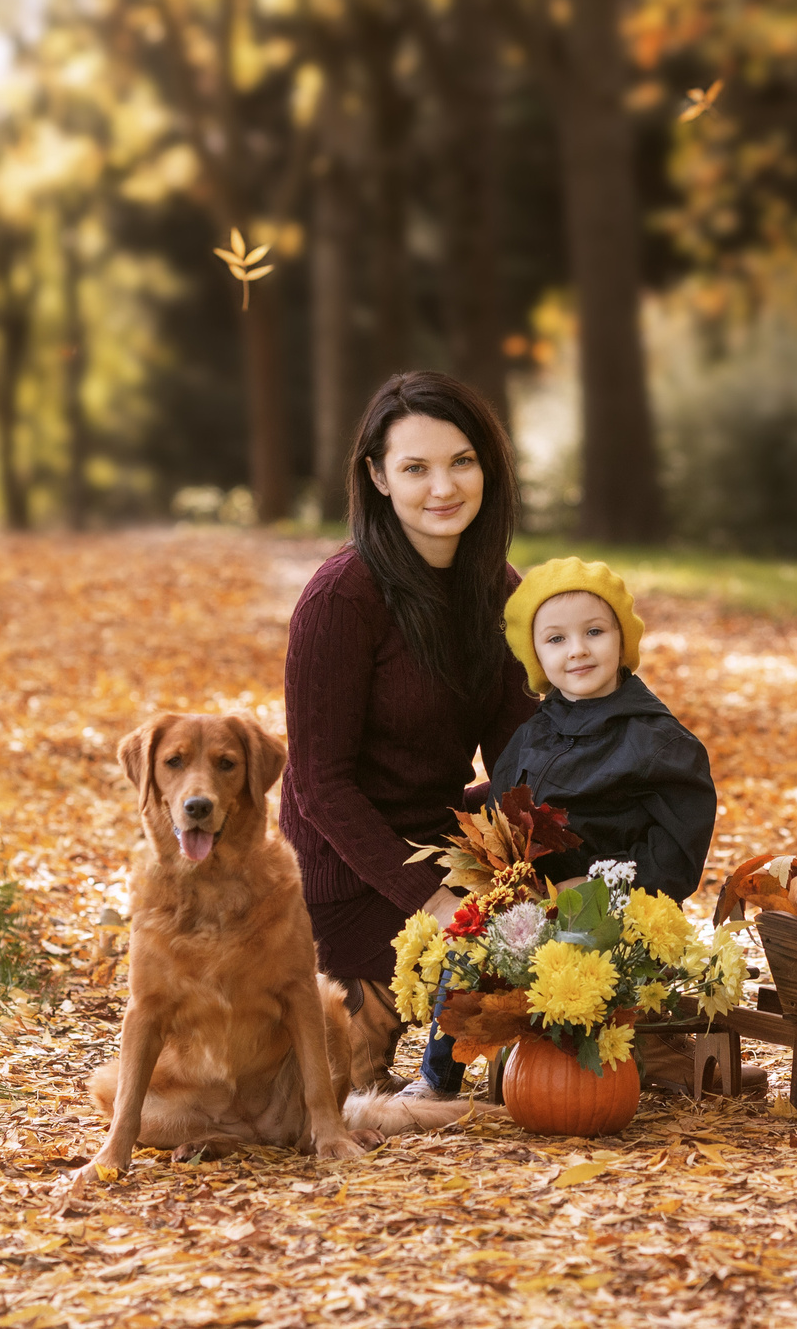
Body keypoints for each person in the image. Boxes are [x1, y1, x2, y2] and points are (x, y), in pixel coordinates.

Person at [279, 372, 538, 1099]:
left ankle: (602, 1035)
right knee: (346, 1078)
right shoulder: (341, 598)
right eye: (415, 467)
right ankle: (389, 1030)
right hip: (346, 872)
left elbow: (520, 758)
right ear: (377, 476)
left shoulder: (499, 591)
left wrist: (547, 865)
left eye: (461, 460)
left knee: (573, 858)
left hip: (441, 839)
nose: (442, 486)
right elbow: (319, 785)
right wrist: (432, 902)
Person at [486, 558, 716, 904]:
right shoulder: (532, 734)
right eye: (556, 639)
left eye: (594, 632)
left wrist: (596, 883)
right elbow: (497, 821)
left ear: (622, 641)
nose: (577, 649)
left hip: (623, 923)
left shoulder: (659, 744)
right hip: (532, 916)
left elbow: (677, 857)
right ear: (536, 656)